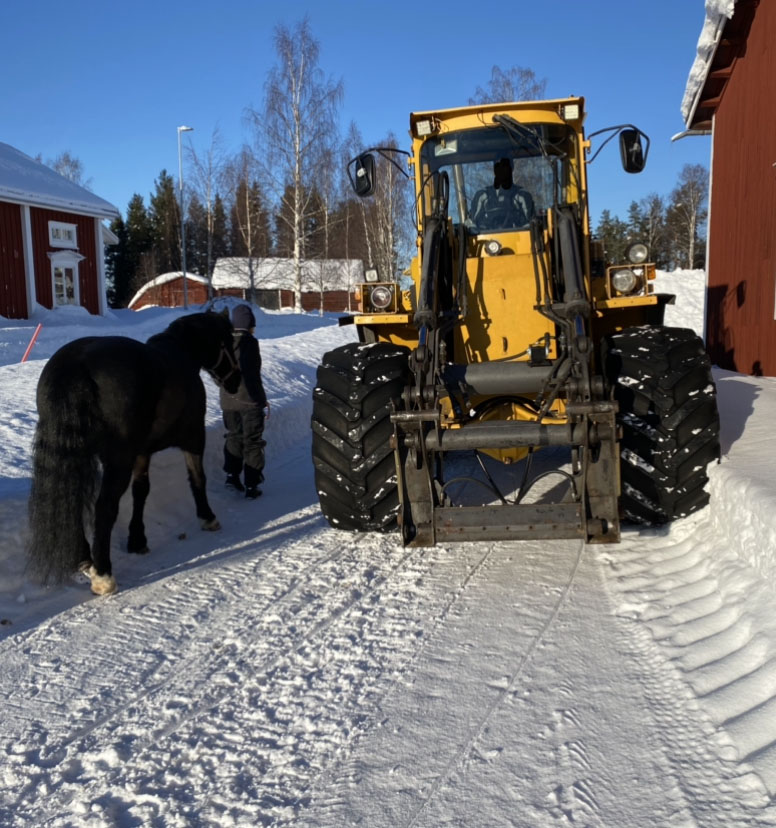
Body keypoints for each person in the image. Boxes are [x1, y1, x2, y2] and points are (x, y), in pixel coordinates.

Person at [220, 304, 270, 499]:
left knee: (233, 436)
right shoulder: (250, 343)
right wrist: (262, 400)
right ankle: (251, 485)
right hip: (249, 401)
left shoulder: (224, 341)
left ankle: (232, 477)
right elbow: (252, 375)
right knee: (252, 442)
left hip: (228, 401)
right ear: (250, 325)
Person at [470, 157, 534, 231]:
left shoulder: (522, 195)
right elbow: (473, 224)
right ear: (494, 170)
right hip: (487, 237)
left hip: (518, 236)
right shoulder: (482, 196)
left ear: (511, 169)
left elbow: (530, 225)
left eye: (505, 166)